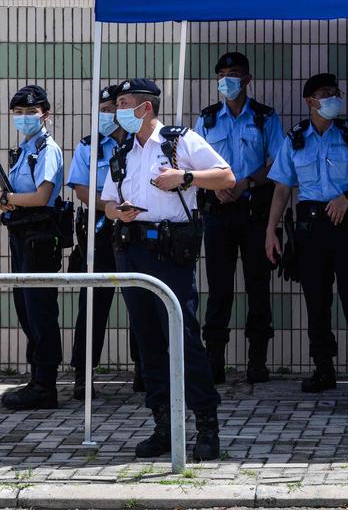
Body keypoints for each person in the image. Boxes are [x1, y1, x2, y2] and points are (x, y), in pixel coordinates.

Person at [101, 78, 233, 461]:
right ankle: (164, 424)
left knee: (184, 338)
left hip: (169, 251)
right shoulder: (123, 149)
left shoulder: (179, 141)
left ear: (145, 107)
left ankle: (207, 424)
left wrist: (185, 177)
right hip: (132, 248)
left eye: (124, 103)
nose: (118, 110)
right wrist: (117, 211)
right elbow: (109, 201)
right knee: (148, 343)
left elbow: (226, 176)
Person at [265, 73, 348, 399]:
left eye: (335, 92)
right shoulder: (295, 139)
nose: (332, 98)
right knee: (316, 302)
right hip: (310, 230)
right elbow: (281, 189)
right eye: (325, 93)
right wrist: (270, 231)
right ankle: (323, 370)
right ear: (310, 101)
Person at [194, 52, 284, 385]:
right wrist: (213, 186)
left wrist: (246, 182)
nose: (226, 81)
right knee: (219, 289)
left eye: (233, 74)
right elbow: (189, 163)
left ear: (247, 79)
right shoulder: (207, 120)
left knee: (258, 288)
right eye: (221, 75)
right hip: (217, 213)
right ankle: (214, 361)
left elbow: (279, 162)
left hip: (254, 212)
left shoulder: (265, 118)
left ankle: (257, 362)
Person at [66, 84, 143, 400]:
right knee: (93, 305)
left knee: (140, 300)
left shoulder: (141, 145)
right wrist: (110, 205)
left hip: (136, 229)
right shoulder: (89, 146)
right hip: (100, 229)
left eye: (113, 108)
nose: (107, 114)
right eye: (103, 109)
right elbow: (81, 189)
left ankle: (145, 370)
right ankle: (84, 376)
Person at [0, 84, 65, 411]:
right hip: (22, 234)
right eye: (19, 113)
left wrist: (7, 199)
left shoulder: (46, 149)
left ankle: (45, 384)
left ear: (45, 115)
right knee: (25, 306)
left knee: (39, 308)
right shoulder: (26, 149)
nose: (24, 118)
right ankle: (37, 378)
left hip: (40, 236)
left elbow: (41, 196)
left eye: (31, 112)